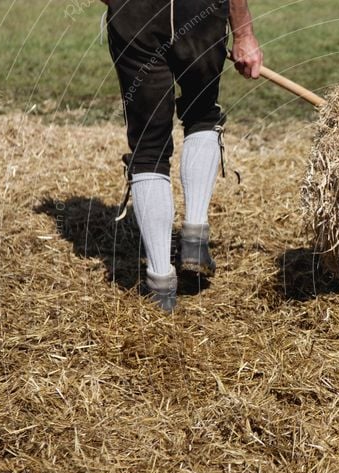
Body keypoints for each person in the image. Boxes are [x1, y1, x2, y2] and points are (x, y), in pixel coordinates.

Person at [103, 0, 263, 312]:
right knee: (201, 113)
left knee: (149, 147)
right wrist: (243, 34)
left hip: (134, 15)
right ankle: (194, 239)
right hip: (198, 10)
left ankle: (161, 285)